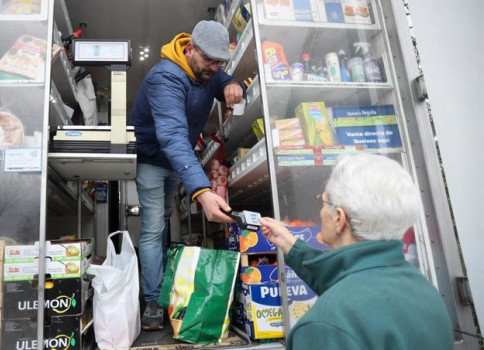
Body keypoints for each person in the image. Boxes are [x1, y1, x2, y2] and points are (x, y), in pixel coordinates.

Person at [259, 153, 453, 350]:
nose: (320, 212)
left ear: (339, 218)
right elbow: (347, 281)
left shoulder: (325, 326)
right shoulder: (426, 292)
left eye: (323, 203)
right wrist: (289, 242)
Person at [129, 20, 245, 331]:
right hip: (154, 159)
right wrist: (202, 191)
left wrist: (233, 84)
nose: (214, 67)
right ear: (190, 49)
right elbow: (173, 138)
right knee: (153, 227)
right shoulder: (164, 78)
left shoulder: (209, 66)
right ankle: (152, 302)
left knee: (164, 218)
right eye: (209, 61)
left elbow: (220, 79)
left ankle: (163, 285)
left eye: (220, 62)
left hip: (173, 163)